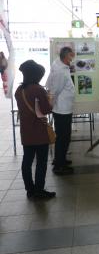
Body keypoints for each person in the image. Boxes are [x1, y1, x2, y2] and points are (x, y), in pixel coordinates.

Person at [15, 60, 56, 199]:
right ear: (36, 75)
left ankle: (30, 190)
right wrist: (50, 100)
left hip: (26, 131)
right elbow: (46, 109)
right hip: (39, 131)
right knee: (41, 162)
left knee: (27, 161)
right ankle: (39, 190)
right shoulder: (38, 89)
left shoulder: (19, 90)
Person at [46, 47, 75, 175]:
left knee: (63, 137)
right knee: (63, 137)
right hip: (62, 109)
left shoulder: (59, 65)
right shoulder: (60, 71)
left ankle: (60, 159)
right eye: (70, 56)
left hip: (63, 108)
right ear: (65, 56)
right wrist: (51, 105)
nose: (72, 58)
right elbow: (54, 91)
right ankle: (59, 165)